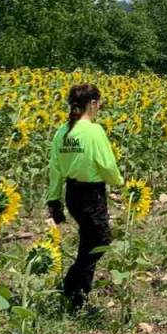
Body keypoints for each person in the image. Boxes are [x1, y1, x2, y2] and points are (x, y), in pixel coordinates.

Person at [45, 84, 124, 312]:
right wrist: (118, 181)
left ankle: (78, 297)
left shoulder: (62, 132)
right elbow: (106, 164)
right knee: (100, 240)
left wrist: (54, 200)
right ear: (92, 103)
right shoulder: (93, 131)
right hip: (91, 194)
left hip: (72, 194)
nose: (99, 107)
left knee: (88, 241)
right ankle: (72, 286)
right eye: (99, 103)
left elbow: (55, 168)